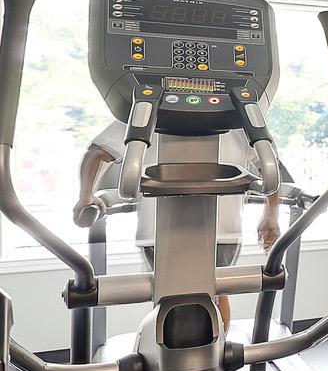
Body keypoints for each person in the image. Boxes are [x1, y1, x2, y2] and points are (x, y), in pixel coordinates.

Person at [74, 123, 285, 325]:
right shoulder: (145, 111)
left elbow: (269, 165)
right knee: (173, 296)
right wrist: (85, 196)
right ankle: (175, 348)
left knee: (212, 294)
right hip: (160, 230)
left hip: (218, 231)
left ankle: (216, 346)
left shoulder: (237, 116)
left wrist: (271, 215)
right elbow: (97, 152)